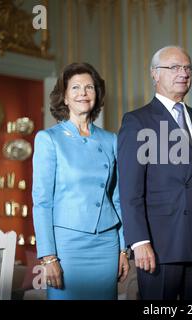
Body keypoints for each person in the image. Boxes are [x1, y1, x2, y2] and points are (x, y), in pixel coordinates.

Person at [117, 46, 192, 300]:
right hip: (159, 245)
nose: (183, 73)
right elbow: (130, 190)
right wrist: (139, 242)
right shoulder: (137, 121)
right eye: (174, 67)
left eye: (187, 68)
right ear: (155, 74)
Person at [32, 62, 129, 300]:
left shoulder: (111, 140)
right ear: (64, 97)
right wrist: (49, 256)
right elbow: (42, 202)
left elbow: (119, 199)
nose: (83, 93)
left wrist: (123, 248)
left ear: (97, 94)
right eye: (75, 88)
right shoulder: (48, 139)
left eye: (89, 87)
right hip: (67, 248)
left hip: (107, 244)